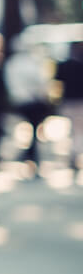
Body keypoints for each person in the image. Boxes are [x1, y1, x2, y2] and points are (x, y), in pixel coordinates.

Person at [3, 32, 53, 175]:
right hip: (26, 102)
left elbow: (40, 82)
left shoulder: (22, 62)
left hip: (27, 101)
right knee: (33, 128)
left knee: (33, 129)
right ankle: (30, 154)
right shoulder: (21, 63)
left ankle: (30, 153)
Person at [56, 41, 83, 176]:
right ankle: (75, 155)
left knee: (73, 131)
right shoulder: (76, 65)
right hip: (77, 102)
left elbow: (57, 81)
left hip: (69, 102)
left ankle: (74, 155)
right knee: (77, 131)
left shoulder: (63, 66)